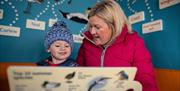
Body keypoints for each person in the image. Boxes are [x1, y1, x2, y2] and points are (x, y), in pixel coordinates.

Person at [76, 0, 158, 91]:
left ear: (114, 25)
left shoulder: (134, 42)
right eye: (90, 26)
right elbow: (78, 75)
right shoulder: (86, 43)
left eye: (97, 27)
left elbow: (145, 79)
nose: (92, 32)